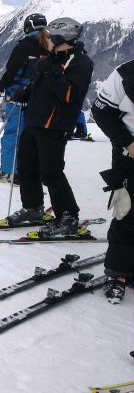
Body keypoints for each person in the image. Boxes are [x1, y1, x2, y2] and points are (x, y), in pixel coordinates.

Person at [1, 18, 94, 238]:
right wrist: (26, 93)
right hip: (34, 120)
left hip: (54, 125)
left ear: (62, 38)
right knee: (27, 167)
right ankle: (33, 208)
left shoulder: (80, 63)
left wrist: (51, 71)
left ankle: (68, 216)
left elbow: (70, 94)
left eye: (51, 37)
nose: (47, 41)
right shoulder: (50, 60)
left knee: (51, 173)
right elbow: (40, 87)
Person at [91, 58, 134, 304]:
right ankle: (117, 273)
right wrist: (128, 142)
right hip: (129, 157)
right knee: (126, 214)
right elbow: (101, 111)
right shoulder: (125, 74)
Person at [0, 13, 51, 181]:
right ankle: (31, 169)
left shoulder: (24, 46)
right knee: (32, 135)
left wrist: (2, 85)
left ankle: (10, 171)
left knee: (13, 133)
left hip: (18, 97)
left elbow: (12, 70)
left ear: (27, 27)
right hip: (40, 99)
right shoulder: (50, 46)